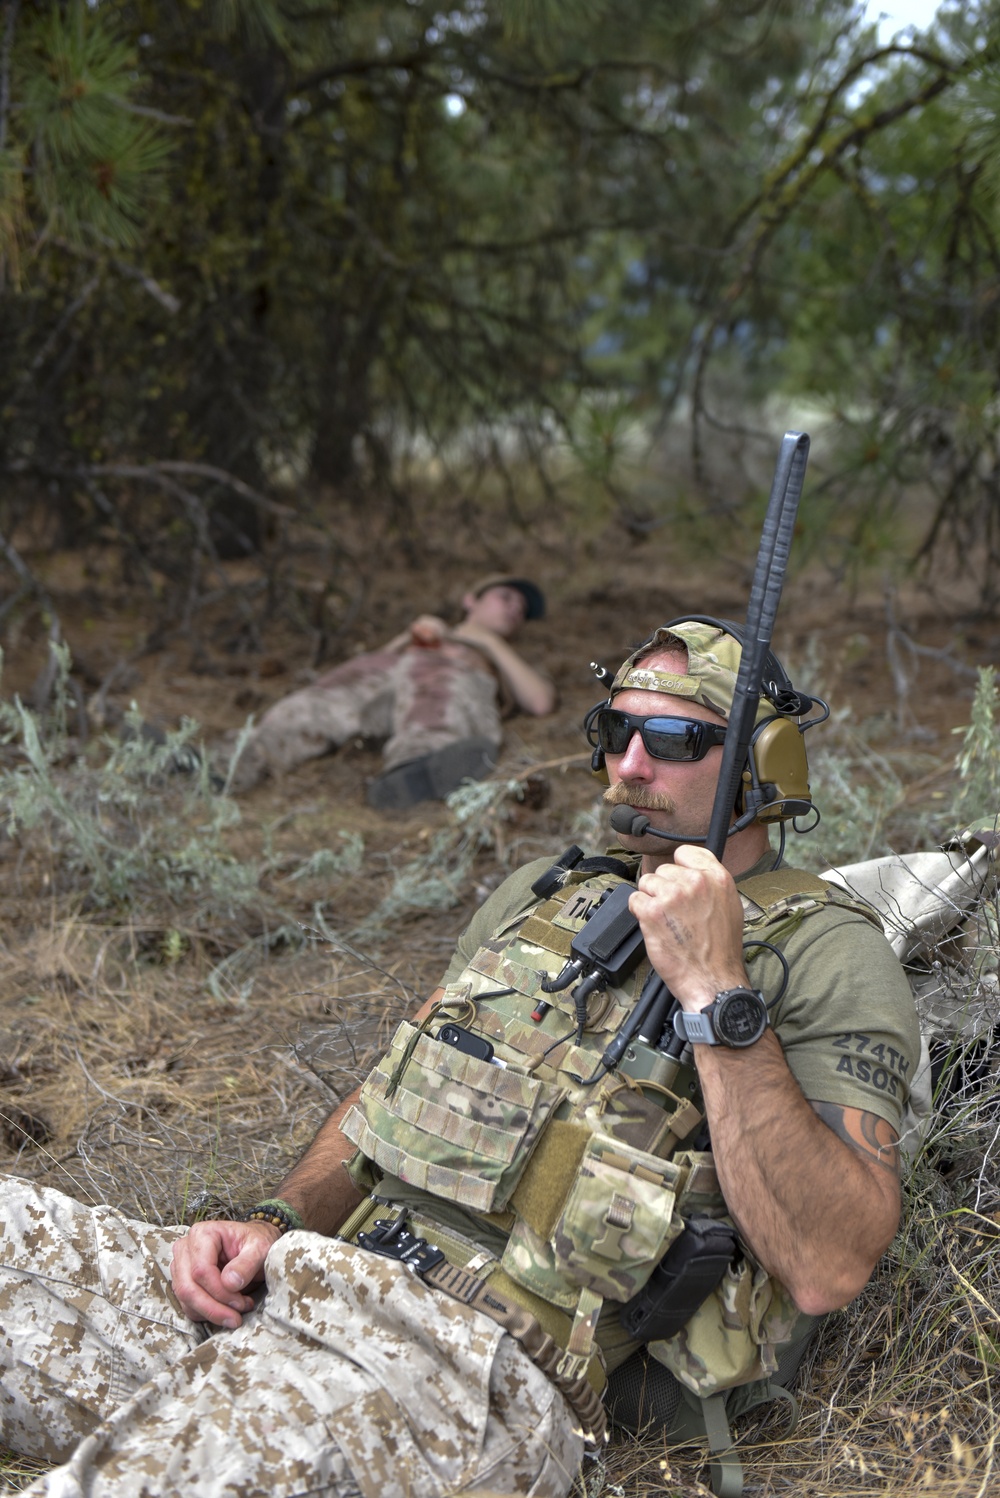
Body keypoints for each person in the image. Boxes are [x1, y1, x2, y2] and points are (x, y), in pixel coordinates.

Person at [0, 618, 920, 1498]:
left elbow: (827, 1263)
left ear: (764, 767)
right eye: (615, 732)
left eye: (676, 740)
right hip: (304, 1287)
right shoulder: (546, 893)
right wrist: (278, 1222)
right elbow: (401, 1081)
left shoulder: (830, 952)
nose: (629, 766)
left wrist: (718, 996)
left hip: (466, 1374)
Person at [223, 573, 555, 807]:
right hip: (383, 686)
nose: (515, 610)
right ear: (470, 600)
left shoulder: (498, 655)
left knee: (439, 691)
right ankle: (228, 763)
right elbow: (373, 670)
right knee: (317, 702)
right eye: (506, 597)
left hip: (442, 693)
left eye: (523, 611)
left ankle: (414, 771)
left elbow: (540, 701)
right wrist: (409, 638)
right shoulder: (428, 632)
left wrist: (488, 642)